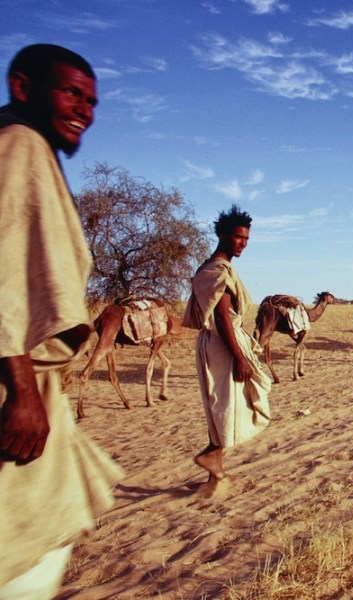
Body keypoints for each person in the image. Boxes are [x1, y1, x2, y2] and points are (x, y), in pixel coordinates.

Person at [0, 44, 124, 599]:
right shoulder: (19, 146)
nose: (84, 110)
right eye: (71, 92)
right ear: (23, 86)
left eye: (91, 101)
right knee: (26, 552)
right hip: (20, 387)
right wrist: (22, 390)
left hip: (37, 384)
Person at [182, 204, 271, 498]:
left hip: (223, 341)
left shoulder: (219, 267)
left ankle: (214, 469)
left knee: (224, 403)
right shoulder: (216, 271)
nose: (242, 243)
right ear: (222, 235)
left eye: (246, 238)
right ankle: (211, 458)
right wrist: (239, 356)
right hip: (223, 343)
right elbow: (222, 316)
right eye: (237, 237)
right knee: (225, 403)